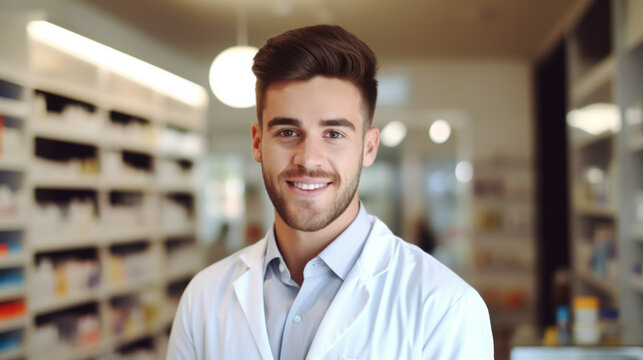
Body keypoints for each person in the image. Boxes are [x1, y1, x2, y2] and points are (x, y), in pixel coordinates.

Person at [167, 24, 493, 359]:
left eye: (334, 134)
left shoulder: (445, 308)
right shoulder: (204, 299)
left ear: (369, 147)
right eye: (288, 131)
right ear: (257, 142)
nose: (308, 159)